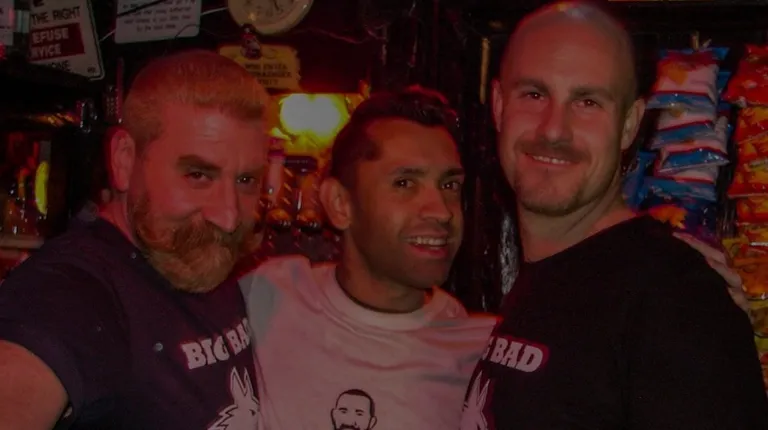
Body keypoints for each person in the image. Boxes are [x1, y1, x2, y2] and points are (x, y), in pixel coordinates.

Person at [240, 88, 748, 429]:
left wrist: (700, 304)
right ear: (339, 203)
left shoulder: (487, 352)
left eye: (449, 186)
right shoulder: (266, 296)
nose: (439, 210)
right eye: (405, 183)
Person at [461, 2, 768, 429]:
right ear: (498, 105)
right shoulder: (549, 277)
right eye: (533, 94)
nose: (553, 129)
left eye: (587, 101)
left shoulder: (674, 298)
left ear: (629, 124)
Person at [0, 50, 270, 429]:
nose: (228, 217)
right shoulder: (73, 291)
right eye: (197, 175)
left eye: (246, 180)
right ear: (125, 159)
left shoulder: (193, 252)